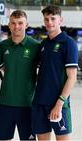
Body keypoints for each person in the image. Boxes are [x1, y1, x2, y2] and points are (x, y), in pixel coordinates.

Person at [31, 5, 78, 141]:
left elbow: (72, 77)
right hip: (40, 102)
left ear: (60, 20)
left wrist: (59, 103)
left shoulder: (68, 43)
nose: (49, 22)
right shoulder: (43, 45)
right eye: (46, 19)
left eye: (53, 18)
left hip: (58, 104)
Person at [0, 10, 40, 140]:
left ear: (27, 25)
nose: (17, 26)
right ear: (9, 25)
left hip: (28, 104)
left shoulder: (35, 46)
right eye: (13, 23)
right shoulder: (2, 46)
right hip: (5, 102)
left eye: (20, 23)